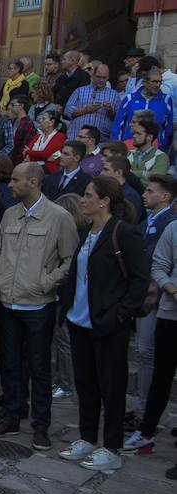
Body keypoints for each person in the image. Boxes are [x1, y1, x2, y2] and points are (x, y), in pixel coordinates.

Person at [0, 162, 79, 449]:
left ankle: (41, 425)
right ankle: (12, 416)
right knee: (9, 364)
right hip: (8, 302)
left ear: (34, 182)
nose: (10, 184)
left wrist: (47, 282)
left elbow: (69, 259)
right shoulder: (10, 214)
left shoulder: (58, 217)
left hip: (38, 304)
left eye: (16, 180)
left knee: (39, 368)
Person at [58, 176, 147, 470]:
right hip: (79, 320)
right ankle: (86, 436)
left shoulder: (124, 233)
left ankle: (111, 446)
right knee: (85, 383)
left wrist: (120, 314)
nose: (82, 200)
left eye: (87, 195)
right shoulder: (86, 232)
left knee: (112, 384)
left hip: (108, 323)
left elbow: (139, 280)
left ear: (104, 201)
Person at [123, 174, 177, 448]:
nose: (144, 194)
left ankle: (148, 417)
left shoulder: (167, 222)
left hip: (161, 301)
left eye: (151, 191)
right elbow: (155, 261)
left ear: (165, 196)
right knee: (150, 358)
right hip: (158, 301)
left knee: (149, 356)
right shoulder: (161, 224)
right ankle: (146, 420)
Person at [129, 218, 177, 466]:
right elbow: (159, 265)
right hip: (171, 313)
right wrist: (172, 289)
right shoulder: (173, 229)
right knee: (162, 376)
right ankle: (146, 433)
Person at [50, 192, 89, 401]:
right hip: (64, 295)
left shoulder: (78, 236)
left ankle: (66, 384)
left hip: (69, 296)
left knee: (64, 342)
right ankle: (60, 380)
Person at [113, 69, 174, 151]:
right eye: (154, 82)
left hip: (154, 148)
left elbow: (168, 128)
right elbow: (118, 125)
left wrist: (162, 146)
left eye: (160, 82)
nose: (158, 85)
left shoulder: (166, 100)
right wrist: (118, 147)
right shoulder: (130, 99)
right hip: (130, 146)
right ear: (144, 82)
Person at [64, 64, 119, 142]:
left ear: (108, 77)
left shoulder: (114, 95)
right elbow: (67, 111)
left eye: (104, 78)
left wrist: (110, 111)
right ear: (93, 75)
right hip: (75, 138)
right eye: (98, 77)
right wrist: (85, 109)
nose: (101, 80)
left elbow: (118, 120)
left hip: (100, 141)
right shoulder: (80, 91)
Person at [101, 154, 145, 224]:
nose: (101, 173)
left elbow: (124, 224)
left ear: (119, 173)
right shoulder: (106, 190)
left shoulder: (130, 196)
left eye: (106, 170)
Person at [128, 119, 169, 187]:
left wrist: (130, 174)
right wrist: (143, 173)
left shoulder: (161, 157)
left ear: (149, 137)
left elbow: (155, 182)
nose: (134, 136)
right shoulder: (129, 153)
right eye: (134, 133)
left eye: (138, 134)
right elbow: (121, 175)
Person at [8, 95, 34, 166]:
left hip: (16, 163)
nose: (9, 107)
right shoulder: (11, 121)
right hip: (7, 160)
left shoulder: (28, 123)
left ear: (21, 106)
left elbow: (24, 147)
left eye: (13, 104)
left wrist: (17, 165)